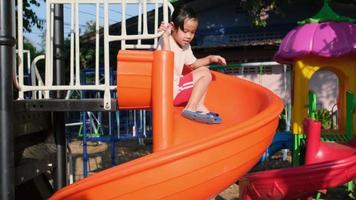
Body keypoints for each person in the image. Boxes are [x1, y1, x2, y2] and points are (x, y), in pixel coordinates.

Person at [157, 5, 226, 124]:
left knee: (204, 70)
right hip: (169, 91)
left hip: (176, 89)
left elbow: (193, 64)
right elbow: (166, 61)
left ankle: (198, 105)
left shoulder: (185, 46)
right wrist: (165, 36)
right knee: (205, 73)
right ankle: (191, 107)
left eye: (192, 32)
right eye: (185, 31)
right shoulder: (166, 40)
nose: (189, 36)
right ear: (173, 27)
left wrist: (210, 59)